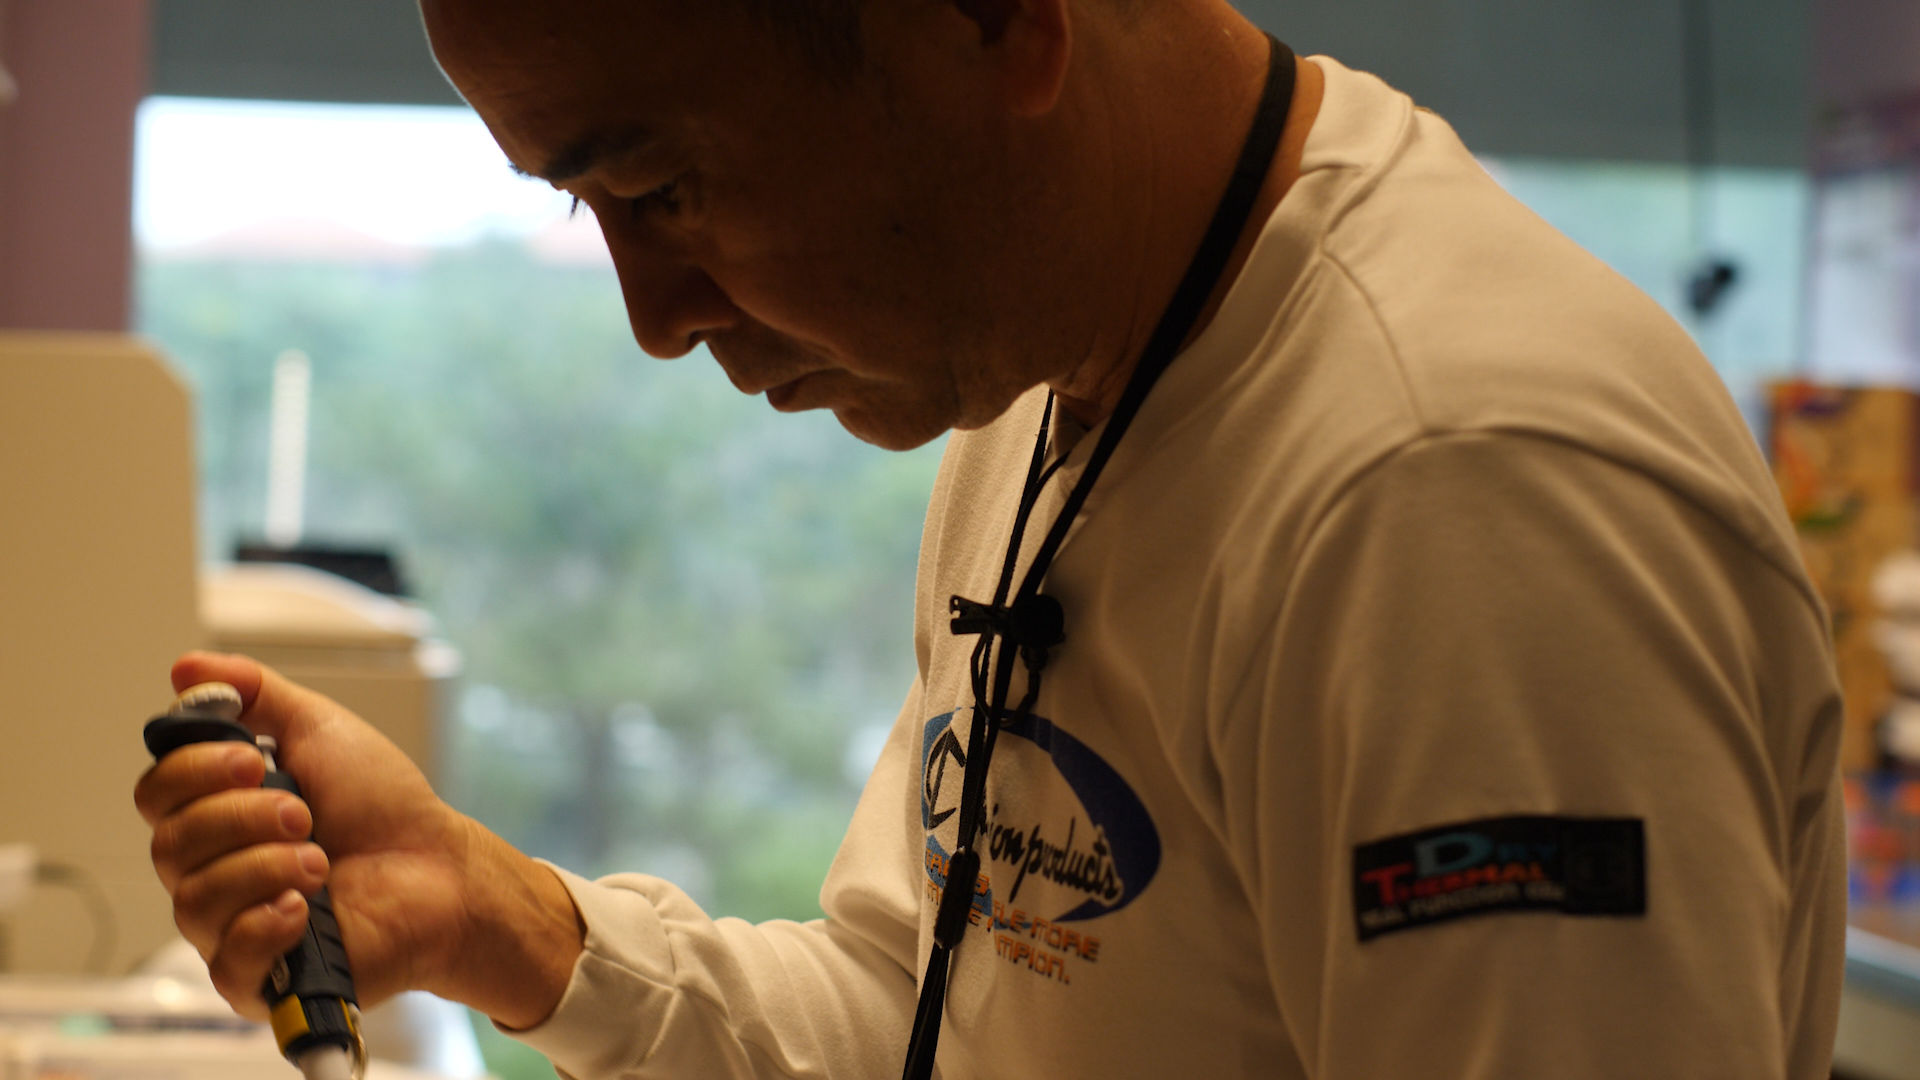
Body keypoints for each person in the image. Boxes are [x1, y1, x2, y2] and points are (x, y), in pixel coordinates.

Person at [134, 0, 1846, 1077]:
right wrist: (509, 924)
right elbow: (939, 1013)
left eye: (665, 188)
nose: (652, 318)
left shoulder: (1453, 492)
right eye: (588, 208)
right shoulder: (1051, 388)